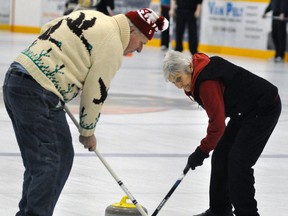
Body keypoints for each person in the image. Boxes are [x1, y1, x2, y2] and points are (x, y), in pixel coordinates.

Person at [2, 8, 168, 216]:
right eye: (142, 42)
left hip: (16, 80)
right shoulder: (113, 43)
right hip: (38, 92)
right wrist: (87, 132)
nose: (140, 49)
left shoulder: (95, 16)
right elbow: (95, 91)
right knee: (54, 160)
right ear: (132, 32)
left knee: (42, 160)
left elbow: (48, 29)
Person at [163, 50, 281, 216]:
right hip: (244, 110)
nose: (178, 86)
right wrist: (205, 150)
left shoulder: (206, 83)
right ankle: (220, 210)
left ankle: (247, 213)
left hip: (263, 107)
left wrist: (201, 152)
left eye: (179, 79)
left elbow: (218, 125)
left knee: (238, 162)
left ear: (189, 67)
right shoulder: (197, 74)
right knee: (221, 155)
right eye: (173, 82)